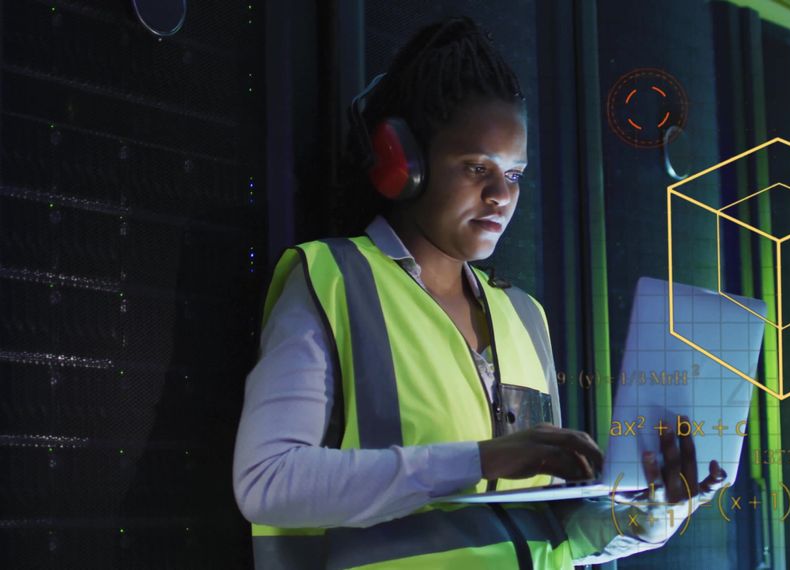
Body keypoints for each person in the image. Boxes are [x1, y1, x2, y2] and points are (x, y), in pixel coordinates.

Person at [233, 16, 725, 569]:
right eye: (476, 168)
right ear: (404, 165)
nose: (500, 196)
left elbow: (554, 536)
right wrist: (481, 459)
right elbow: (266, 482)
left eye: (514, 176)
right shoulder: (330, 280)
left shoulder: (524, 316)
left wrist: (651, 514)